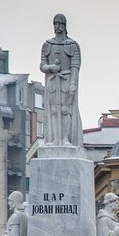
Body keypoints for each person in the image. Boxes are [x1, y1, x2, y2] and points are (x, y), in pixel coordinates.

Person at [40, 13, 82, 147]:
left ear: (64, 26)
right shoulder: (47, 44)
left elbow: (75, 65)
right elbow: (42, 65)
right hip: (52, 80)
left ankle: (65, 139)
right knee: (53, 110)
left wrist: (73, 83)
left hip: (66, 79)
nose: (57, 27)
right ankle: (54, 140)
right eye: (55, 24)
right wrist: (51, 67)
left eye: (60, 24)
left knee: (65, 110)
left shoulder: (72, 45)